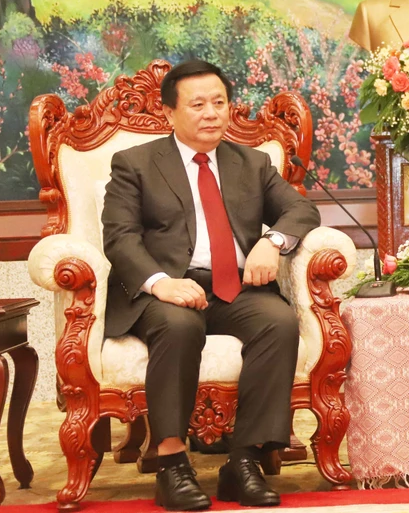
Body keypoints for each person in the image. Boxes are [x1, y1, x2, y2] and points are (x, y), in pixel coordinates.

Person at [101, 60, 321, 510]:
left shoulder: (253, 163)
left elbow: (301, 211)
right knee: (181, 327)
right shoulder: (135, 164)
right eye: (198, 104)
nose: (212, 113)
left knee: (278, 322)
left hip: (233, 287)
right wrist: (161, 283)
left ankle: (244, 464)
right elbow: (119, 237)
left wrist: (272, 241)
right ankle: (172, 464)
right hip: (166, 289)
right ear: (169, 113)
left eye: (219, 102)